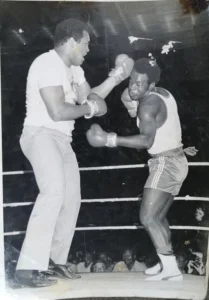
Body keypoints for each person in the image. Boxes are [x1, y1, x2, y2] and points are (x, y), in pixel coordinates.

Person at [15, 18, 134, 288]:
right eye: (85, 43)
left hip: (61, 139)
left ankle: (55, 261)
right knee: (54, 191)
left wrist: (116, 77)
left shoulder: (75, 71)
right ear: (71, 42)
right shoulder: (46, 64)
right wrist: (90, 110)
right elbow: (58, 111)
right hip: (40, 133)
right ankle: (27, 268)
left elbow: (91, 99)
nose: (88, 49)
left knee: (71, 199)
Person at [86, 57, 189, 281]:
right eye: (131, 81)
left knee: (147, 217)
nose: (133, 87)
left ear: (151, 85)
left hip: (165, 163)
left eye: (139, 84)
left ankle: (171, 270)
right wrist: (132, 101)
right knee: (159, 217)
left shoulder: (149, 103)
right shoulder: (162, 92)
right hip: (176, 161)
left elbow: (146, 142)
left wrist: (109, 139)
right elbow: (135, 103)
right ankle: (167, 263)